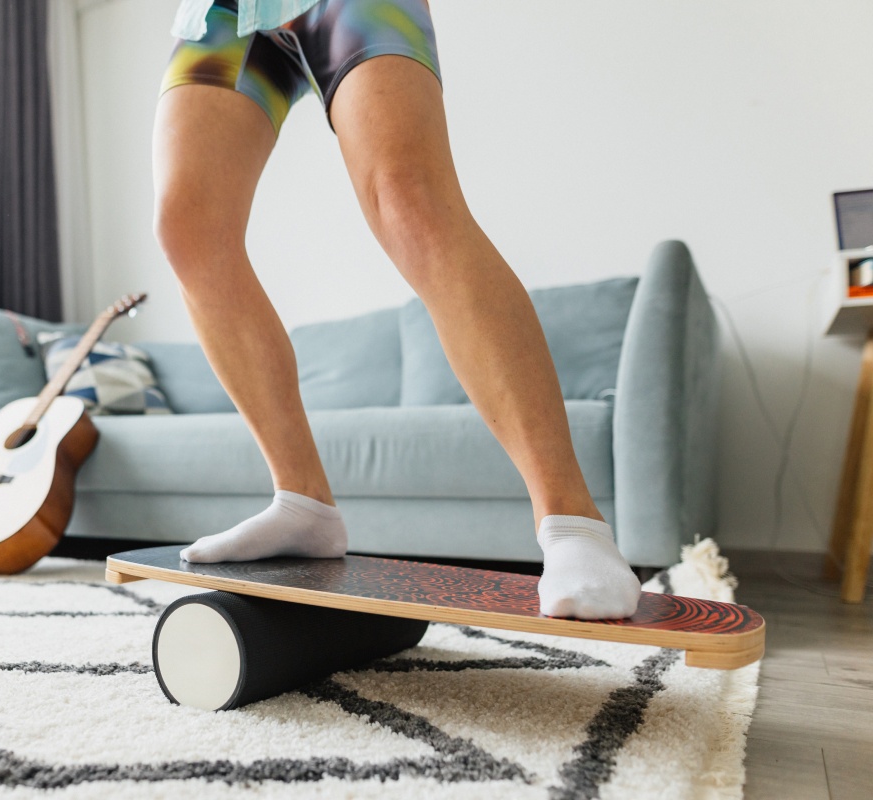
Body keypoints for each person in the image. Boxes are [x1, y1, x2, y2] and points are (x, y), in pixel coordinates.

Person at [151, 0, 641, 619]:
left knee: (410, 202)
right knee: (186, 229)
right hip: (224, 11)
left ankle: (572, 522)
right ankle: (302, 504)